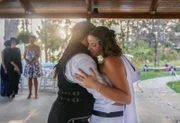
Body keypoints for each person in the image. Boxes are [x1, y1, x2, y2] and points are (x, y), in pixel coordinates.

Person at [48, 22, 117, 123]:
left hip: (66, 115)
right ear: (87, 36)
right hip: (71, 119)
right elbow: (103, 96)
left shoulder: (73, 53)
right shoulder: (82, 60)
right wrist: (122, 101)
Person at [75, 26, 138, 123]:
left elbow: (126, 98)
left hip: (109, 118)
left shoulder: (111, 61)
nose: (89, 48)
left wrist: (95, 85)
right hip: (105, 116)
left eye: (93, 44)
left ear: (103, 44)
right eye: (89, 44)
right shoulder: (110, 60)